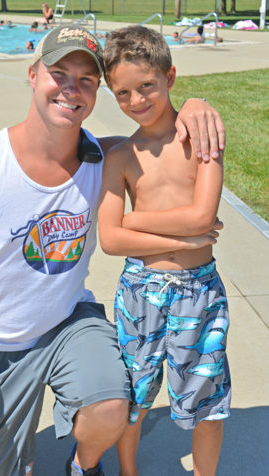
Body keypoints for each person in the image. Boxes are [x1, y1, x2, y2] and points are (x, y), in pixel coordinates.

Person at [0, 24, 225, 476]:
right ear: (32, 74)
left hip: (69, 324)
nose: (71, 89)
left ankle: (83, 466)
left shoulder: (100, 158)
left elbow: (153, 141)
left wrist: (198, 107)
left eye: (86, 79)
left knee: (112, 404)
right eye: (59, 73)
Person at [98, 25, 231, 476]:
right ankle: (129, 472)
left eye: (147, 86)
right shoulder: (120, 157)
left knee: (207, 401)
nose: (136, 100)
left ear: (170, 77)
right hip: (141, 290)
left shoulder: (201, 139)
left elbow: (201, 217)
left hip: (199, 291)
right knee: (133, 396)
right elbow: (110, 240)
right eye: (122, 93)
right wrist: (181, 237)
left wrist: (133, 220)